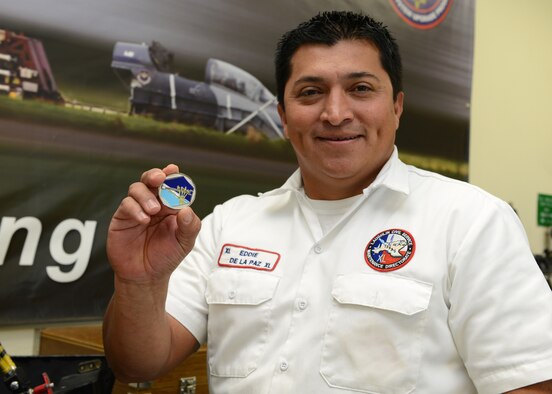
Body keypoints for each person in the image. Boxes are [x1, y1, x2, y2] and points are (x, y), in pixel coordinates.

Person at [103, 10, 552, 394]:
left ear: (396, 107)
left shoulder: (472, 221)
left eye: (360, 88)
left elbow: (528, 382)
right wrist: (138, 281)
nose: (335, 114)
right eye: (311, 92)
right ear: (282, 114)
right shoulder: (228, 224)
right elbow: (139, 364)